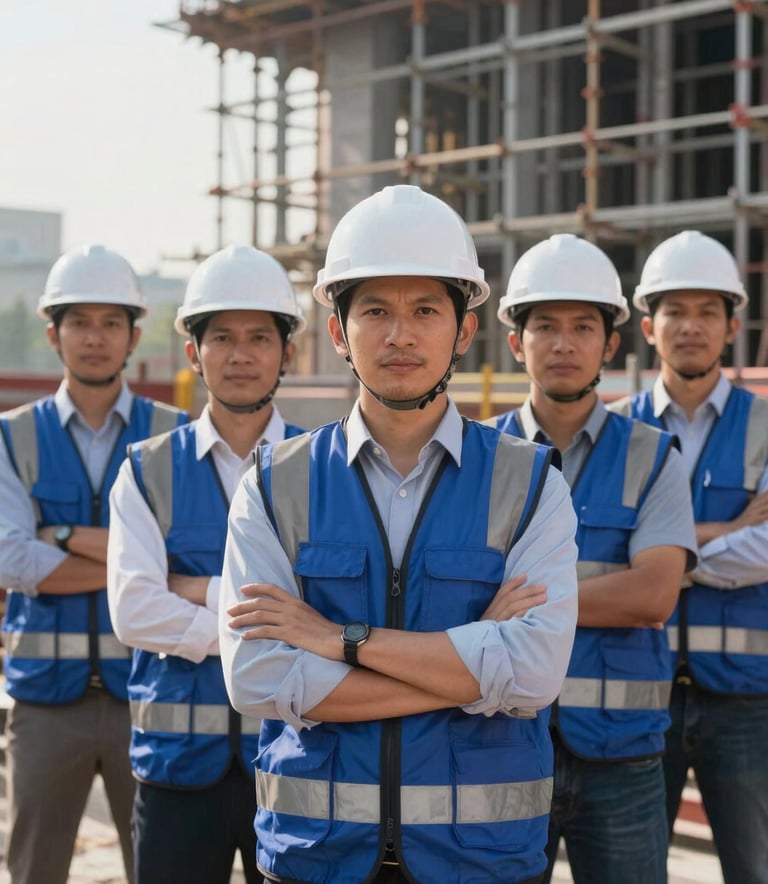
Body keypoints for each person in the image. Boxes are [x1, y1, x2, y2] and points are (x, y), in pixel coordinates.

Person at [218, 184, 579, 884]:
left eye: (424, 311)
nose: (401, 335)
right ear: (339, 332)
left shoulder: (531, 483)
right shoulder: (271, 484)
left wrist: (336, 639)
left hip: (480, 860)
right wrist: (472, 662)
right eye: (376, 310)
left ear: (465, 331)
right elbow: (256, 676)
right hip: (316, 857)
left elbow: (534, 673)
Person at [489, 234, 697, 883]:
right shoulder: (477, 456)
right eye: (544, 326)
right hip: (501, 747)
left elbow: (654, 595)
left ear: (611, 343)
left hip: (623, 758)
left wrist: (520, 604)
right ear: (515, 342)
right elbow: (460, 600)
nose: (562, 343)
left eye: (583, 326)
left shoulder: (654, 455)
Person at [106, 245, 306, 884]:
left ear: (288, 352)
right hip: (173, 772)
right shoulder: (145, 469)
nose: (241, 354)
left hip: (292, 764)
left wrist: (193, 590)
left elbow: (331, 613)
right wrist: (262, 619)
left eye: (258, 337)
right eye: (221, 337)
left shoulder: (323, 469)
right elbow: (135, 610)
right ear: (194, 353)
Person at [0, 244, 188, 884]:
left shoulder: (175, 434)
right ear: (53, 333)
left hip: (154, 697)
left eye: (112, 323)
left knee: (160, 870)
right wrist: (140, 562)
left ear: (135, 334)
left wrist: (59, 535)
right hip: (45, 708)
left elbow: (190, 557)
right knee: (33, 871)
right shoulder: (13, 436)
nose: (96, 338)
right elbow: (12, 559)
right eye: (80, 322)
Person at [612, 229, 768, 883]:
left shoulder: (765, 426)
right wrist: (719, 529)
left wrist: (656, 565)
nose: (691, 327)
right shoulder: (614, 431)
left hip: (746, 702)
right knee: (637, 868)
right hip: (637, 694)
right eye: (676, 311)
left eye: (708, 312)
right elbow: (599, 552)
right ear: (649, 325)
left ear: (732, 325)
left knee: (753, 869)